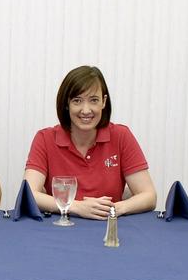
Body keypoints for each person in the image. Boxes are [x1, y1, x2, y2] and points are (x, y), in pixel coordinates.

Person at [23, 66, 155, 218]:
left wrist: (114, 209)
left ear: (103, 102)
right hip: (61, 227)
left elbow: (149, 195)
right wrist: (77, 207)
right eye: (77, 101)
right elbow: (29, 193)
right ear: (67, 104)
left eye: (93, 100)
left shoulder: (121, 136)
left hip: (107, 227)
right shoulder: (45, 138)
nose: (86, 110)